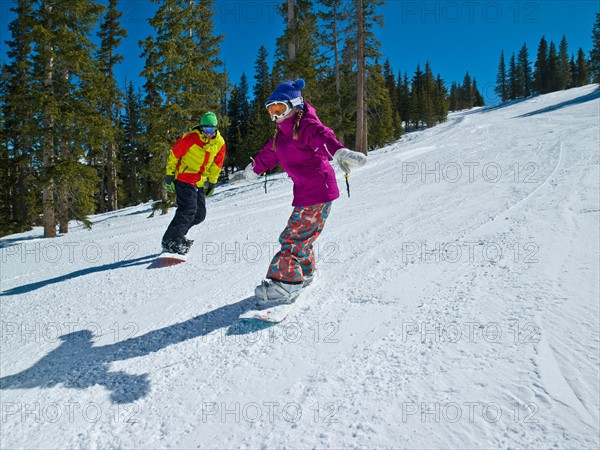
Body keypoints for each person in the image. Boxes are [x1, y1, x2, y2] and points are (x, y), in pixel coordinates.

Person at [244, 79, 367, 304]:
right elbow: (268, 154)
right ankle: (305, 272)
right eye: (271, 110)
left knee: (292, 238)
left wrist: (339, 153)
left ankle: (286, 284)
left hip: (317, 190)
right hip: (308, 192)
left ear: (295, 106)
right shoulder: (281, 134)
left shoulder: (306, 126)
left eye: (280, 108)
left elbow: (323, 136)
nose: (275, 115)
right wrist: (252, 170)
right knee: (302, 236)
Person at [161, 111, 226, 255]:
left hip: (199, 181)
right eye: (205, 129)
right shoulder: (190, 138)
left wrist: (212, 183)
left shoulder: (219, 143)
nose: (208, 133)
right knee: (188, 210)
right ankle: (176, 240)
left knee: (199, 215)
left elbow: (217, 164)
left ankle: (170, 238)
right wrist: (170, 176)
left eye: (211, 129)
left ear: (215, 128)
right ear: (201, 127)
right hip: (184, 178)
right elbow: (174, 155)